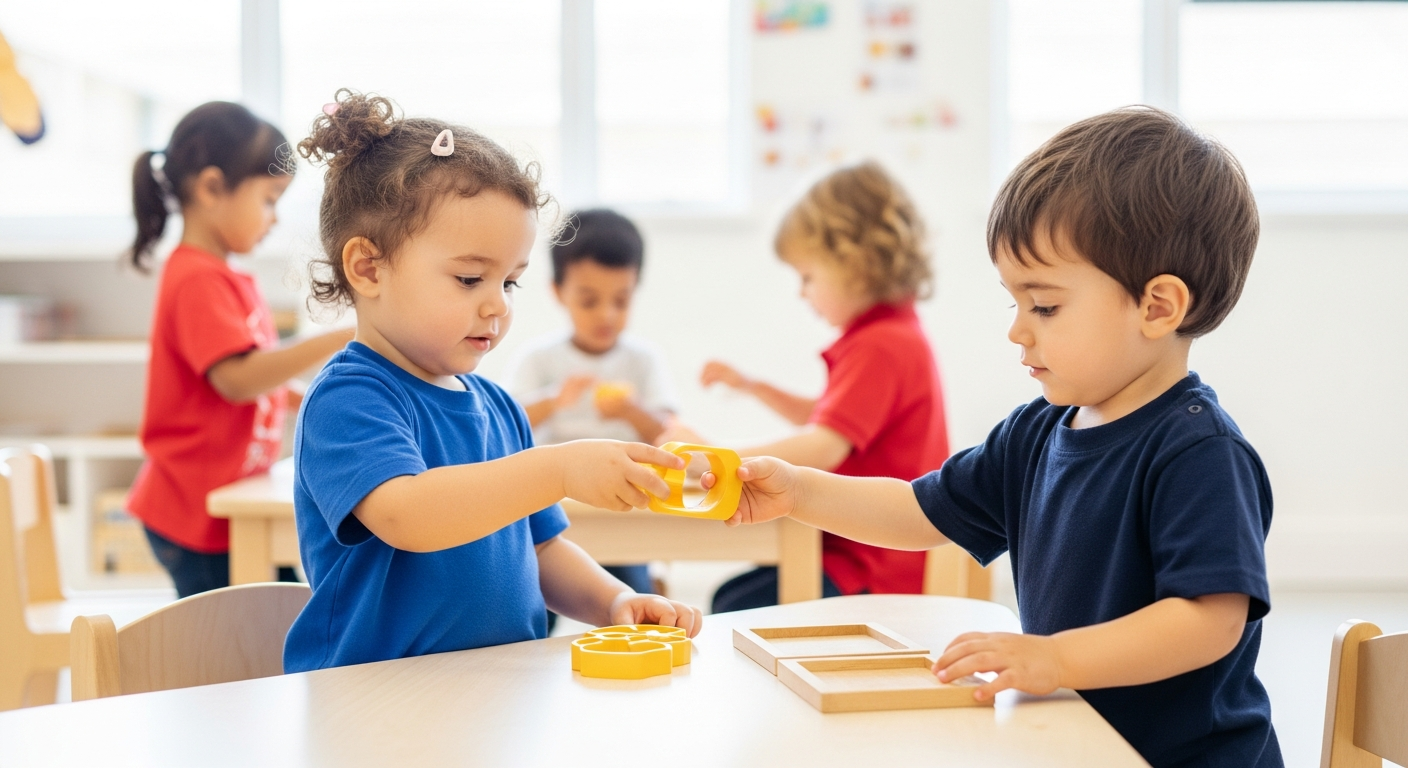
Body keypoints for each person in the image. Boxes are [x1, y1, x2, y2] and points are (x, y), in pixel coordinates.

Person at [715, 108, 1280, 766]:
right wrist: (801, 492)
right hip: (1072, 741)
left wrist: (1054, 658)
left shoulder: (1199, 451)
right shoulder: (1035, 433)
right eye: (1013, 302)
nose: (1018, 329)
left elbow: (1209, 619)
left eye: (1044, 305)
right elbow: (919, 510)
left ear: (1157, 307)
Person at [282, 91, 701, 673]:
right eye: (471, 278)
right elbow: (410, 515)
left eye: (510, 283)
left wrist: (614, 600)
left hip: (495, 692)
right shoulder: (350, 397)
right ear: (368, 268)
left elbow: (543, 546)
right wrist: (559, 467)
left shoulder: (500, 408)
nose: (497, 306)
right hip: (372, 698)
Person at [675, 161, 948, 612]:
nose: (802, 293)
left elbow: (824, 445)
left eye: (807, 277)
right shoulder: (894, 333)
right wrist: (754, 386)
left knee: (733, 607)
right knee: (731, 599)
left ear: (853, 263)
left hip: (872, 564)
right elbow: (835, 417)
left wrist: (712, 457)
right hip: (865, 551)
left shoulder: (881, 346)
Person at [126, 101, 352, 598]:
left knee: (278, 618)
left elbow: (255, 379)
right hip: (196, 515)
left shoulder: (222, 278)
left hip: (224, 504)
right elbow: (237, 379)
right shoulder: (196, 280)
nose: (273, 219)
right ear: (211, 188)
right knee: (235, 649)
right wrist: (344, 335)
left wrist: (305, 400)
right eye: (269, 200)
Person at [502, 208, 677, 597]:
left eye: (621, 300)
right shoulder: (539, 360)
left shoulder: (642, 360)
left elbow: (668, 433)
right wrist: (552, 401)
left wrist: (632, 411)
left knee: (631, 592)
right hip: (551, 505)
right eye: (589, 300)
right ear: (558, 292)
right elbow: (505, 427)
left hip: (623, 506)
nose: (607, 314)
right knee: (531, 593)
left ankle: (649, 591)